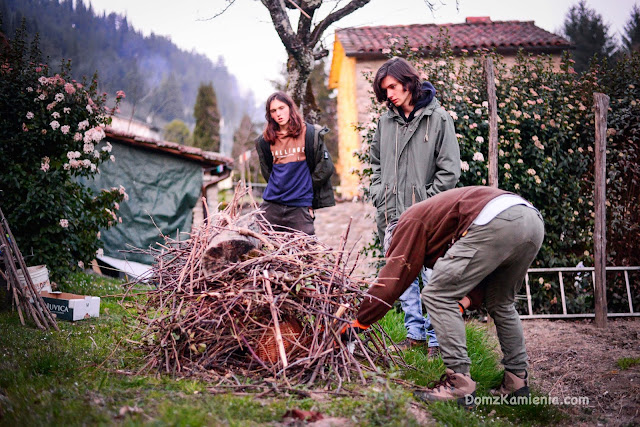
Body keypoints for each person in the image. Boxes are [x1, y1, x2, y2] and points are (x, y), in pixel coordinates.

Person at [342, 186, 544, 407]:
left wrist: (357, 322)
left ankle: (459, 385)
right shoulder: (436, 224)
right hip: (530, 220)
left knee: (437, 295)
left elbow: (392, 281)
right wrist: (462, 302)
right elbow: (479, 275)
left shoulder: (409, 222)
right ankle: (517, 383)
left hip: (497, 220)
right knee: (501, 304)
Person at [370, 57, 461, 355]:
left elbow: (449, 171)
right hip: (394, 215)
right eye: (385, 91)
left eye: (393, 87)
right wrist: (379, 195)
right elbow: (376, 165)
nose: (390, 95)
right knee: (402, 279)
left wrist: (429, 204)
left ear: (409, 82)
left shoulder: (439, 119)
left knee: (434, 279)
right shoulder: (385, 122)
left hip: (431, 218)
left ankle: (437, 342)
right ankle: (415, 337)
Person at [256, 91, 335, 235]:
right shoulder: (265, 141)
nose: (278, 113)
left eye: (281, 108)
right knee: (260, 245)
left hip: (299, 206)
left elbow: (326, 167)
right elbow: (267, 172)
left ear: (290, 108)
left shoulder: (310, 134)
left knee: (306, 250)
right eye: (273, 111)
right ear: (270, 115)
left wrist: (306, 189)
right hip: (272, 204)